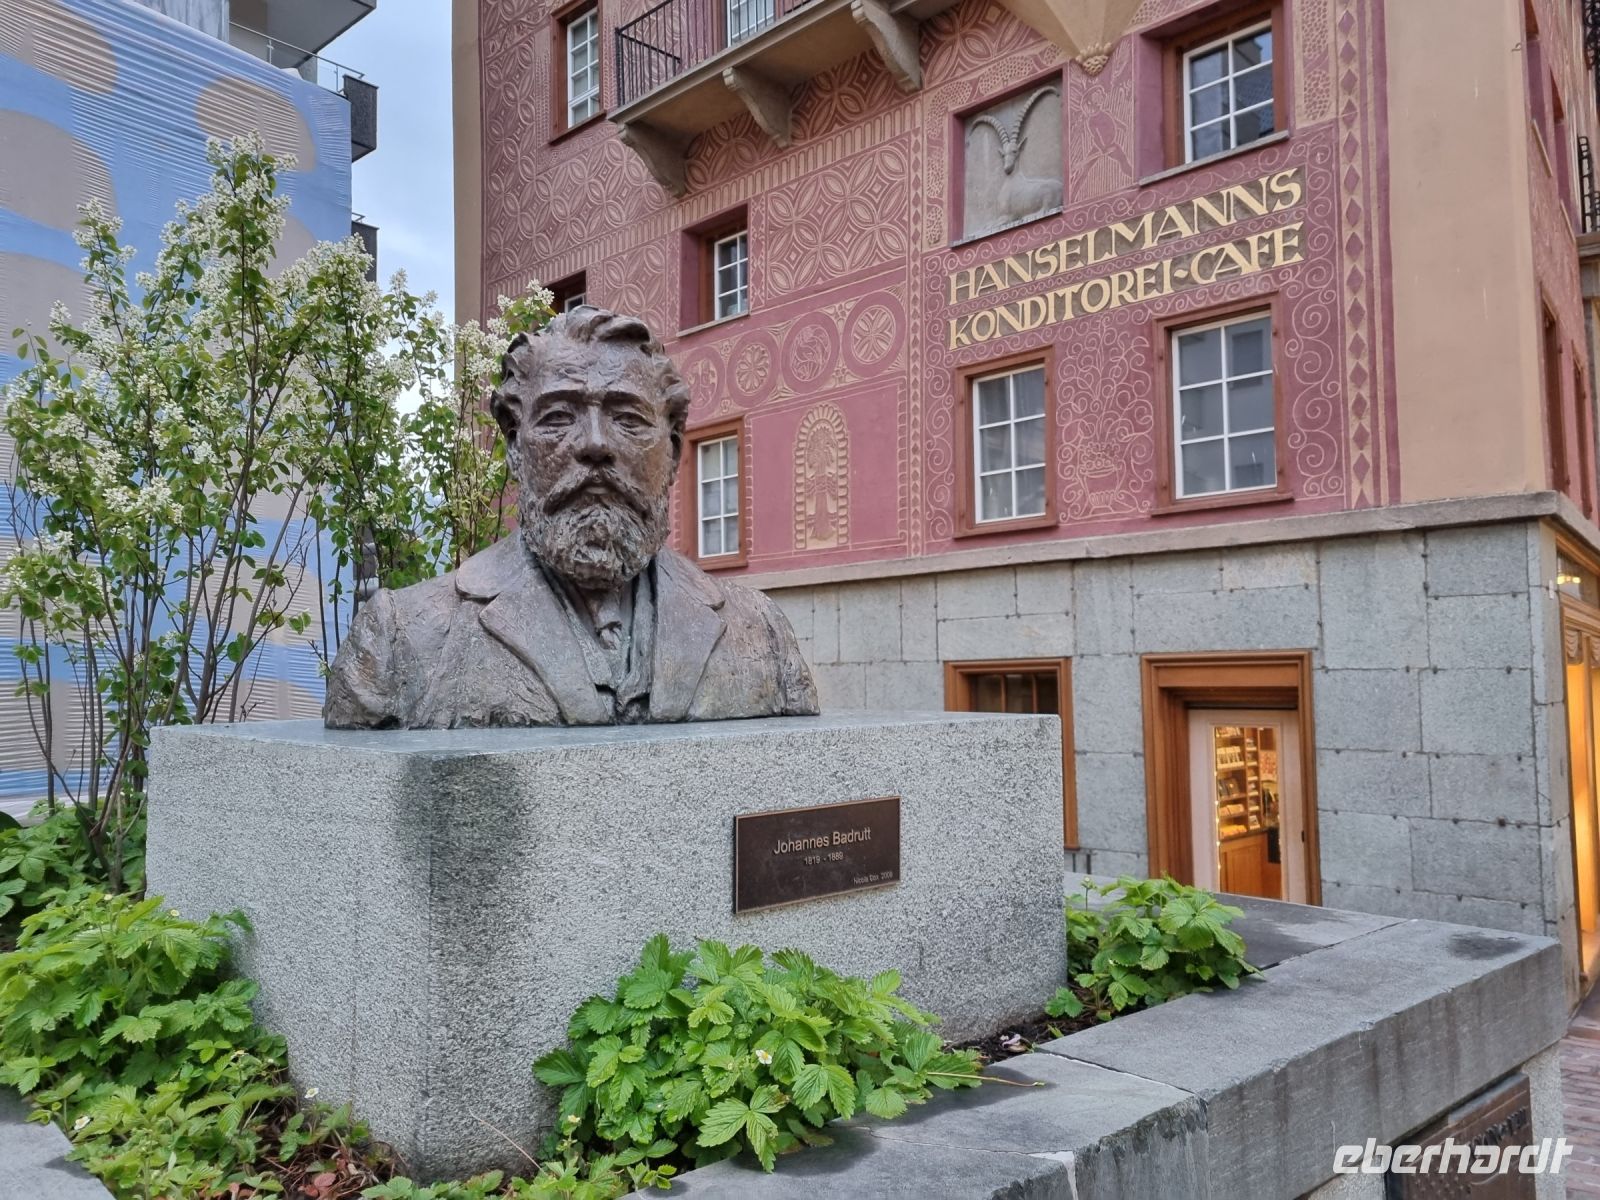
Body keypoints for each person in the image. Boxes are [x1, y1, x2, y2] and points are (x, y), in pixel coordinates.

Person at [323, 307, 819, 728]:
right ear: (515, 447)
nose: (595, 445)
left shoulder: (761, 633)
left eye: (629, 419)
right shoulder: (401, 638)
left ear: (670, 452)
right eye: (559, 417)